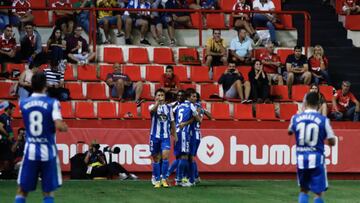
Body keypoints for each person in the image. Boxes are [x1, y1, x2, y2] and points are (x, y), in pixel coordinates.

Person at [15, 72, 68, 203]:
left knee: (22, 190)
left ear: (32, 85)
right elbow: (59, 125)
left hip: (31, 150)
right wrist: (63, 126)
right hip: (47, 151)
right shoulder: (52, 103)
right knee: (48, 191)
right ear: (46, 85)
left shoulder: (23, 103)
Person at [288, 91, 336, 203]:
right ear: (319, 104)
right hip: (317, 159)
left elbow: (290, 131)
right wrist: (330, 139)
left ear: (305, 102)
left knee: (303, 190)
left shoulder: (295, 118)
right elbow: (332, 141)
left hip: (301, 159)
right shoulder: (324, 120)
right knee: (319, 193)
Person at [149, 88, 176, 188]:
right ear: (155, 97)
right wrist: (157, 103)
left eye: (162, 95)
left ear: (165, 97)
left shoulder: (169, 108)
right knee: (156, 159)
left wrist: (175, 135)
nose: (160, 97)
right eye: (158, 95)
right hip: (154, 136)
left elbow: (172, 122)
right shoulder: (152, 106)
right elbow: (152, 111)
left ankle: (164, 179)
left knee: (165, 157)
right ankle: (156, 179)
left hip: (165, 136)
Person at [173, 88, 200, 186]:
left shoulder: (178, 105)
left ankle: (182, 178)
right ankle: (180, 179)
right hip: (184, 133)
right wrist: (193, 117)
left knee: (181, 156)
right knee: (185, 156)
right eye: (193, 96)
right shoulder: (191, 106)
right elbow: (199, 120)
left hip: (177, 131)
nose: (195, 98)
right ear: (189, 97)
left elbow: (171, 113)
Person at [0, 101, 15, 178]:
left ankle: (8, 173)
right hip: (4, 141)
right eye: (12, 109)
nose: (13, 111)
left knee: (9, 157)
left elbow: (9, 128)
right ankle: (5, 174)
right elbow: (0, 127)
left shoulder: (8, 118)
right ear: (8, 109)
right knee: (6, 158)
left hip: (8, 141)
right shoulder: (3, 117)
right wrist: (8, 135)